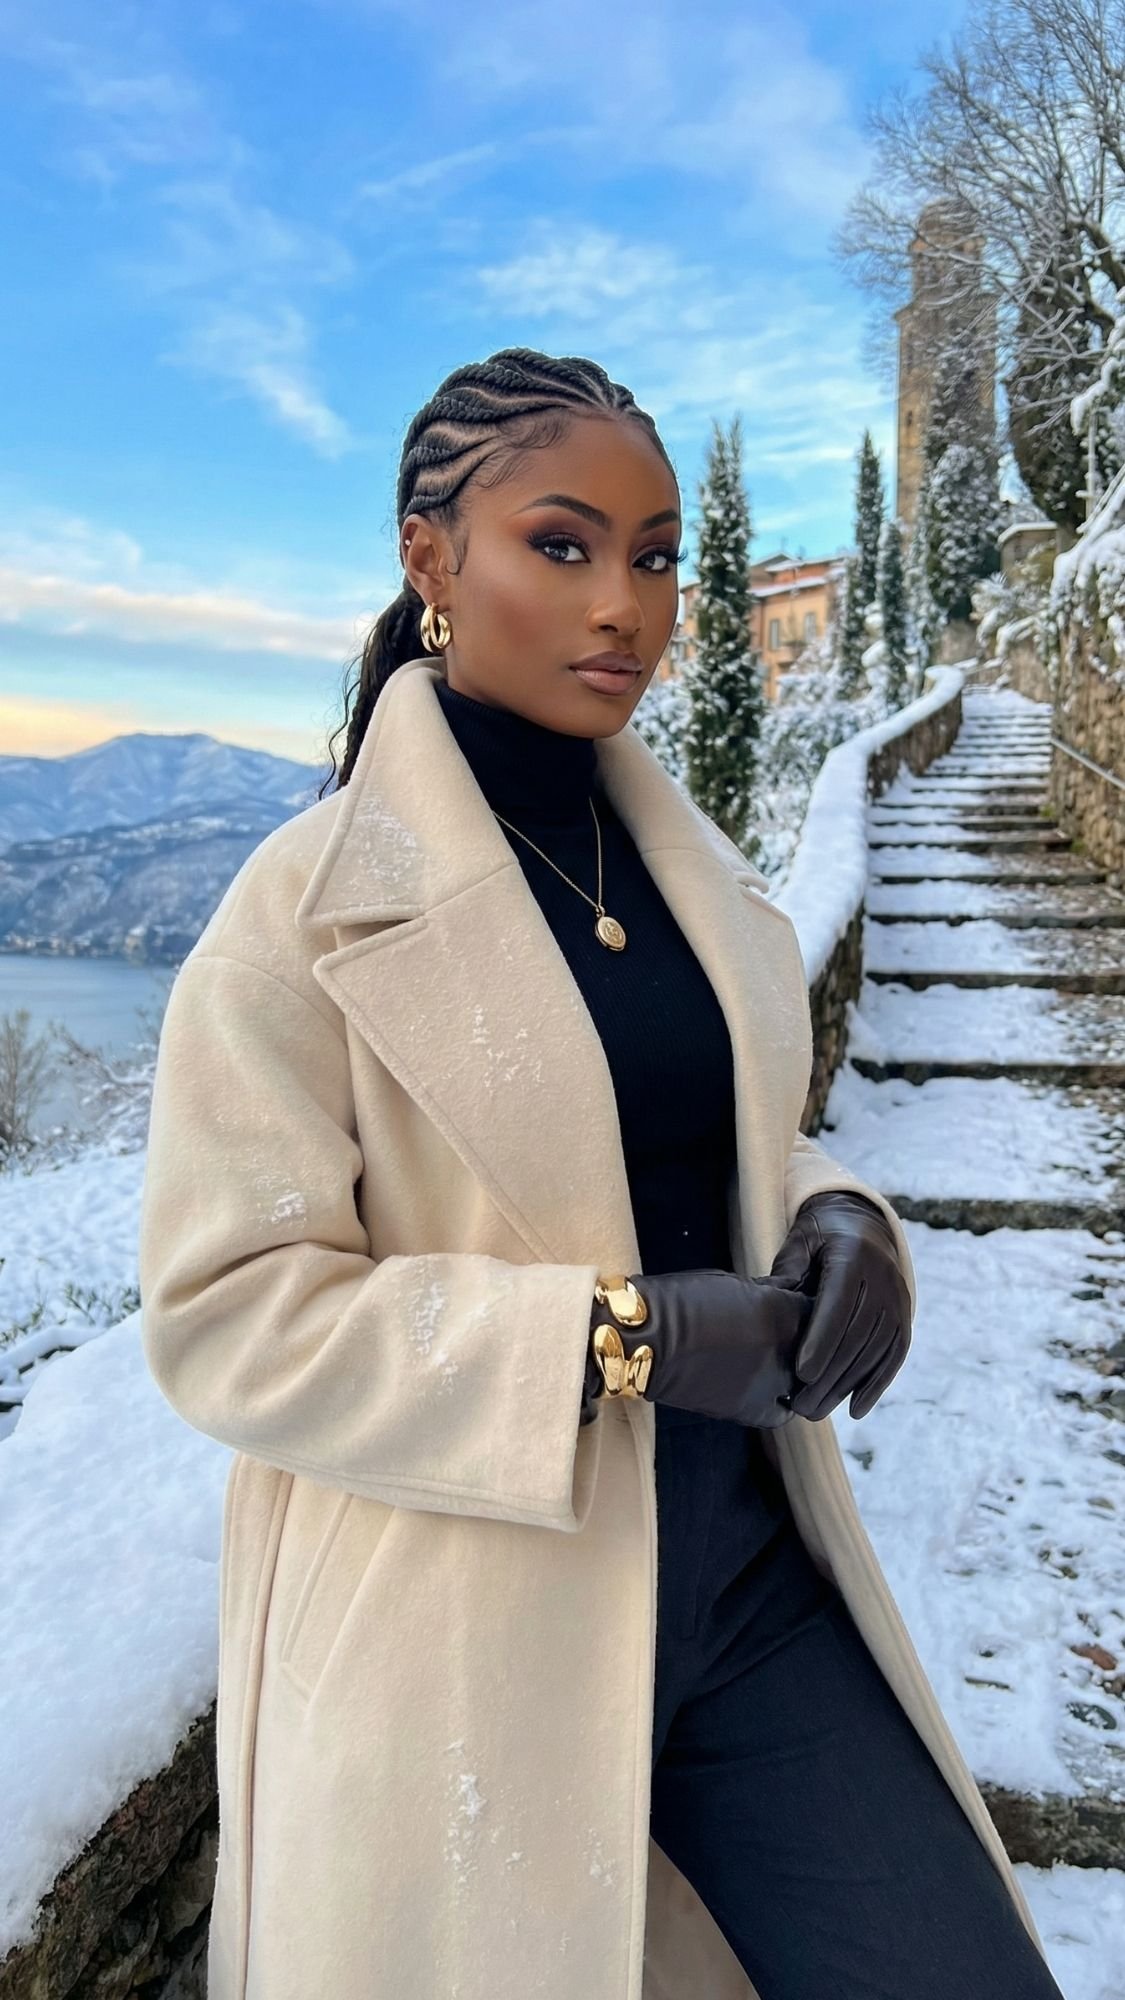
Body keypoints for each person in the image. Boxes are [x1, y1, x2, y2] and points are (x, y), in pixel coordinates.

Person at [138, 346, 1062, 2000]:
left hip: (749, 1585)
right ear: (432, 562)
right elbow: (227, 1316)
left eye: (651, 555)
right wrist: (612, 1340)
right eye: (559, 546)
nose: (621, 604)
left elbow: (727, 1134)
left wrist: (847, 1214)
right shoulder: (298, 915)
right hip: (467, 1625)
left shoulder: (679, 865)